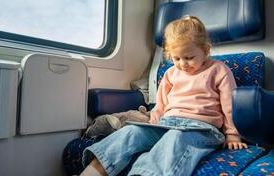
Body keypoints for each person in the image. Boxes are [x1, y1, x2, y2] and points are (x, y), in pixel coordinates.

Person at [79, 15, 248, 176]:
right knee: (132, 132)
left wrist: (232, 133)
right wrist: (152, 124)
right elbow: (161, 105)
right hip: (166, 124)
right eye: (176, 58)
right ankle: (94, 170)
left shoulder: (219, 70)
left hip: (201, 129)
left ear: (205, 50)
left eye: (189, 57)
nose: (183, 64)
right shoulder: (170, 73)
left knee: (176, 138)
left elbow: (230, 105)